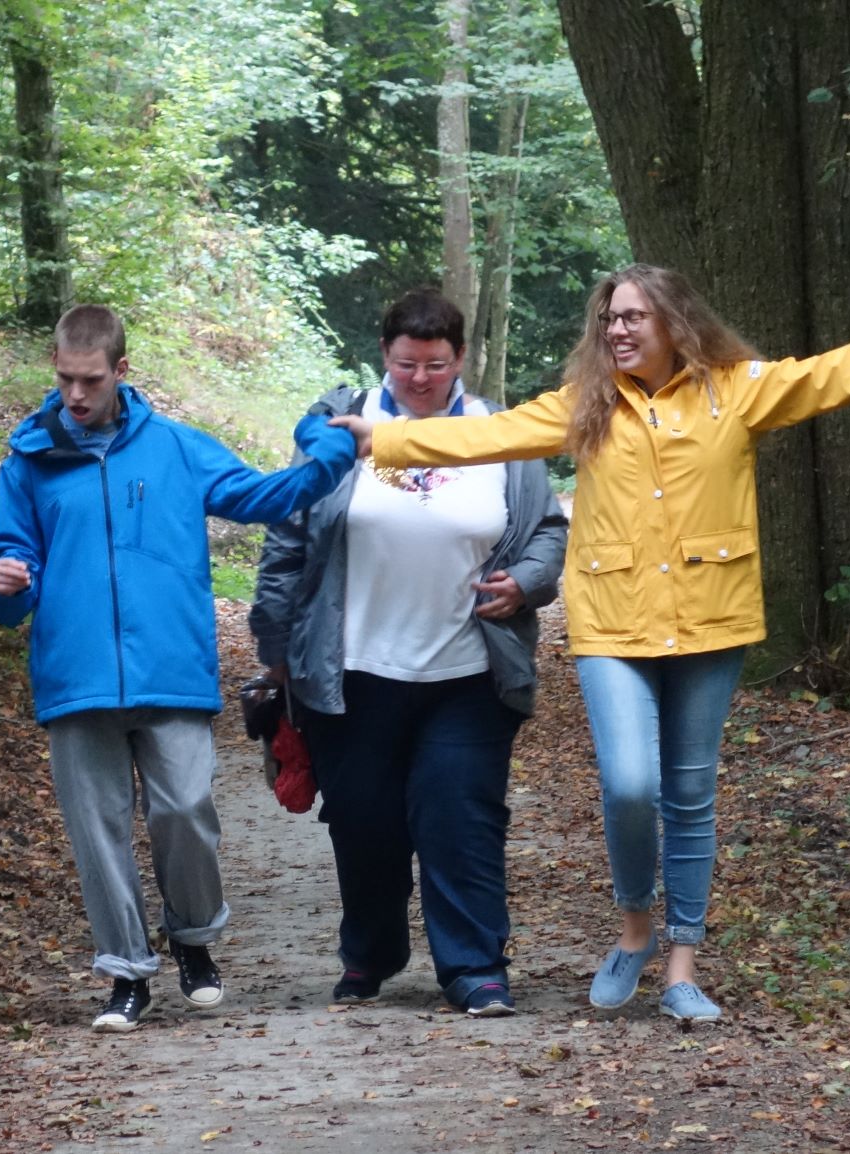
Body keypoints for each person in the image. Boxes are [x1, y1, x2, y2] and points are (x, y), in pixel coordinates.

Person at [334, 266, 850, 1021]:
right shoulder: (584, 407)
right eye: (610, 319)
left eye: (633, 318)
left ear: (675, 322)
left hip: (712, 618)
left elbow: (830, 376)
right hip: (613, 621)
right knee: (629, 785)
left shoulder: (734, 389)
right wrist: (383, 438)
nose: (616, 330)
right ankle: (634, 929)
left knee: (690, 794)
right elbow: (488, 433)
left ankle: (681, 962)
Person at [0, 304, 357, 1033]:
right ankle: (124, 973)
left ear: (122, 372)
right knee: (99, 830)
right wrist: (9, 582)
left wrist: (328, 449)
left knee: (185, 811)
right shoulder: (29, 462)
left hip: (171, 669)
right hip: (76, 676)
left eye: (90, 380)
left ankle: (192, 939)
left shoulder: (180, 450)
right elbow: (10, 579)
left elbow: (266, 497)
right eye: (64, 379)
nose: (75, 396)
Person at [250, 289, 569, 1017]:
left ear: (460, 358)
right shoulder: (339, 428)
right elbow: (288, 538)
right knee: (364, 820)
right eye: (405, 364)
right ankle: (370, 952)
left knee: (461, 816)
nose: (420, 379)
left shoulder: (501, 432)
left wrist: (526, 581)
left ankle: (476, 967)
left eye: (435, 364)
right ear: (383, 356)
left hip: (469, 671)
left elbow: (548, 530)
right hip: (351, 669)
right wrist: (274, 647)